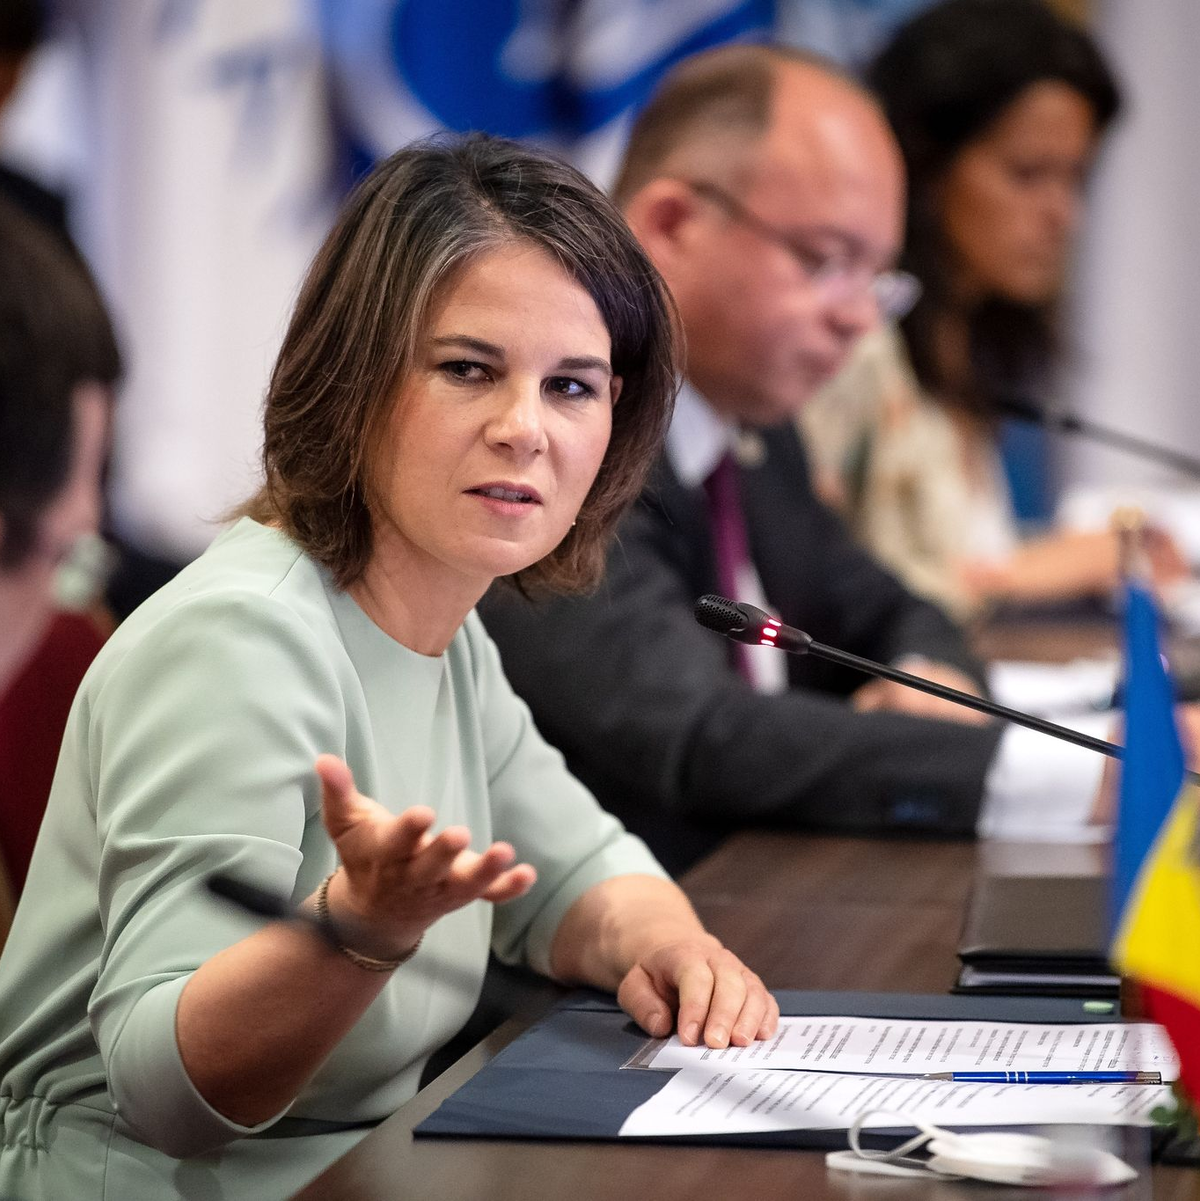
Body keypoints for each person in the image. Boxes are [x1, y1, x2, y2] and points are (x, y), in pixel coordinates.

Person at [0, 136, 778, 1199]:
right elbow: (165, 1093)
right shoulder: (238, 639)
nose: (524, 429)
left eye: (571, 385)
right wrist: (355, 932)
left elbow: (577, 874)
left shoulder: (443, 629)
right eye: (468, 370)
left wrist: (675, 948)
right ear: (355, 378)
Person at [481, 45, 1111, 874]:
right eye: (825, 261)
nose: (860, 320)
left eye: (876, 278)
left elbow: (894, 611)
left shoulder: (749, 424)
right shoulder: (558, 439)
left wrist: (922, 679)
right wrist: (1078, 774)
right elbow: (695, 734)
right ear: (672, 225)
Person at [799, 0, 1182, 620]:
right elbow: (820, 596)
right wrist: (1033, 571)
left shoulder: (965, 348)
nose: (1063, 216)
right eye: (1028, 175)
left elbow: (949, 556)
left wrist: (1073, 559)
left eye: (1076, 178)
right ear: (924, 167)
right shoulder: (850, 342)